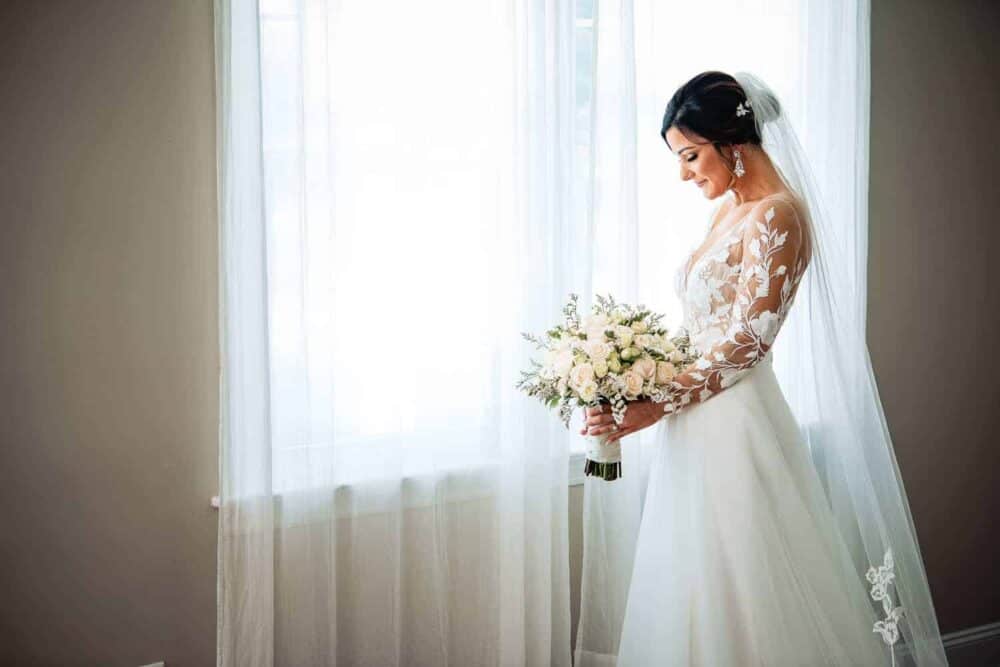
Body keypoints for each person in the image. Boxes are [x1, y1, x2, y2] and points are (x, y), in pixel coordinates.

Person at [581, 71, 947, 665]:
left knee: (748, 579)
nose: (684, 173)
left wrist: (658, 403)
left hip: (737, 421)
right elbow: (705, 328)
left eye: (691, 155)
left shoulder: (778, 215)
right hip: (695, 418)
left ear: (734, 142)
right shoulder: (726, 212)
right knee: (696, 575)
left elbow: (749, 340)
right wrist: (633, 380)